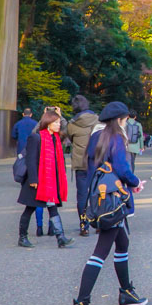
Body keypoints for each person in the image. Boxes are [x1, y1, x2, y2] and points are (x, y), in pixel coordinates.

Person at [70, 101, 147, 305]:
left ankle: (126, 293)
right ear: (121, 119)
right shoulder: (116, 138)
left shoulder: (96, 136)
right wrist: (135, 183)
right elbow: (122, 168)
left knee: (122, 243)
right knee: (100, 252)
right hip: (113, 200)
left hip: (100, 197)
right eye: (126, 119)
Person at [16, 108, 75, 249]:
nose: (59, 125)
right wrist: (33, 180)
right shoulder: (36, 137)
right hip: (37, 180)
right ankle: (22, 237)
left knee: (53, 208)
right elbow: (31, 160)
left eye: (59, 122)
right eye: (56, 122)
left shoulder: (55, 138)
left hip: (49, 181)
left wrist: (60, 115)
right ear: (48, 123)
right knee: (29, 209)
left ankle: (60, 237)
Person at [64, 95, 99, 236]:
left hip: (80, 163)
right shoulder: (97, 120)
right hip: (96, 161)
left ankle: (84, 225)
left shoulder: (72, 124)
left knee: (82, 195)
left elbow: (69, 138)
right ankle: (98, 223)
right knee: (97, 193)